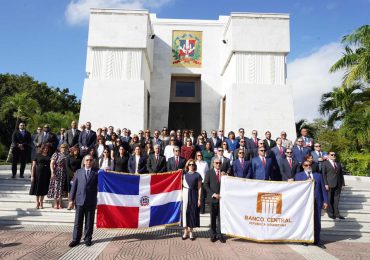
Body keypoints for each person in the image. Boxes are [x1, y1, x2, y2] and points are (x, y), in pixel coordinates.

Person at [295, 160, 328, 249]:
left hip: (317, 202)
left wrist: (325, 201)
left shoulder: (318, 176)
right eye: (306, 165)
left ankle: (317, 240)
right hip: (304, 203)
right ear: (303, 166)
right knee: (305, 221)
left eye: (309, 165)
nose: (308, 166)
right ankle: (304, 239)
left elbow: (323, 189)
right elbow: (297, 190)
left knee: (317, 221)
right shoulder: (298, 176)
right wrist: (307, 181)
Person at [68, 155, 99, 247]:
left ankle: (88, 238)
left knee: (89, 222)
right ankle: (75, 239)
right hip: (79, 200)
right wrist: (71, 200)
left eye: (90, 160)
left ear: (92, 162)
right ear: (84, 162)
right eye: (87, 160)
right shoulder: (78, 172)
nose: (89, 162)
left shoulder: (96, 172)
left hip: (91, 200)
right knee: (78, 222)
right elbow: (74, 187)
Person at [204, 158, 226, 243]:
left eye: (220, 163)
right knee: (213, 218)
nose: (218, 164)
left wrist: (226, 176)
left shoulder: (223, 173)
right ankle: (213, 235)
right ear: (213, 163)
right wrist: (213, 194)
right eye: (216, 163)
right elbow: (205, 185)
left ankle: (220, 235)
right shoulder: (209, 173)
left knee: (220, 218)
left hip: (221, 199)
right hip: (212, 199)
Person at [182, 159, 202, 241]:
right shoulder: (184, 174)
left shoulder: (197, 175)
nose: (191, 166)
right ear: (187, 165)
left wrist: (199, 199)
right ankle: (185, 231)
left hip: (194, 194)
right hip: (185, 193)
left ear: (195, 166)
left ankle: (191, 232)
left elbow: (200, 188)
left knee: (192, 212)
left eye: (193, 164)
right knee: (185, 212)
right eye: (189, 164)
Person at [322, 151, 345, 220]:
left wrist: (343, 184)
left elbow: (341, 175)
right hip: (329, 184)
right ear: (328, 156)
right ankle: (331, 213)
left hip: (338, 184)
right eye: (332, 154)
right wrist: (325, 183)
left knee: (336, 199)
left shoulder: (338, 163)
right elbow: (324, 174)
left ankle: (337, 214)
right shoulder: (325, 163)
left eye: (334, 154)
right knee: (329, 199)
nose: (333, 155)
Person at [29, 144, 51, 209]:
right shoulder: (37, 155)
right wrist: (32, 176)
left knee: (43, 188)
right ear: (42, 148)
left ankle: (41, 202)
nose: (46, 149)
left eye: (47, 148)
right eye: (45, 148)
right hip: (38, 174)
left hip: (46, 174)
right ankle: (37, 202)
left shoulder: (49, 156)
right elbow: (33, 166)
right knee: (37, 188)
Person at [48, 143, 68, 209]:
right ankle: (55, 203)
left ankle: (60, 202)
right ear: (60, 148)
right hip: (56, 171)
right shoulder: (56, 154)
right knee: (56, 187)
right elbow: (51, 163)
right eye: (62, 147)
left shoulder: (66, 155)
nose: (64, 149)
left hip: (64, 172)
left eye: (65, 148)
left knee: (61, 188)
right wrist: (52, 172)